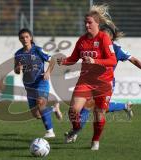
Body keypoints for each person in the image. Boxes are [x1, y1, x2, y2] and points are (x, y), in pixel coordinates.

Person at [69, 22, 141, 147]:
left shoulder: (116, 48)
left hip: (105, 83)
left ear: (111, 38)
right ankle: (76, 130)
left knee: (98, 109)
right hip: (89, 81)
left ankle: (80, 133)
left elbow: (133, 59)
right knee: (85, 106)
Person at [57, 5, 117, 150]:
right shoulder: (82, 40)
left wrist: (95, 61)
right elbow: (73, 58)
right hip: (85, 80)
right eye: (85, 22)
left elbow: (112, 61)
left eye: (89, 22)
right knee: (73, 110)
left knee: (99, 114)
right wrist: (64, 61)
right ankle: (76, 128)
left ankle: (95, 141)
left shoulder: (104, 39)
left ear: (97, 23)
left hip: (103, 82)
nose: (86, 25)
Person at [14, 28, 62, 138]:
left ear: (30, 38)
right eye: (22, 38)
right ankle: (54, 107)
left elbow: (53, 60)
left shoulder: (38, 50)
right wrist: (18, 68)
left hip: (41, 82)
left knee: (40, 102)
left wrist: (48, 72)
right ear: (19, 39)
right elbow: (16, 71)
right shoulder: (18, 54)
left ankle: (50, 132)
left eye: (26, 37)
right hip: (29, 86)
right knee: (37, 115)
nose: (25, 39)